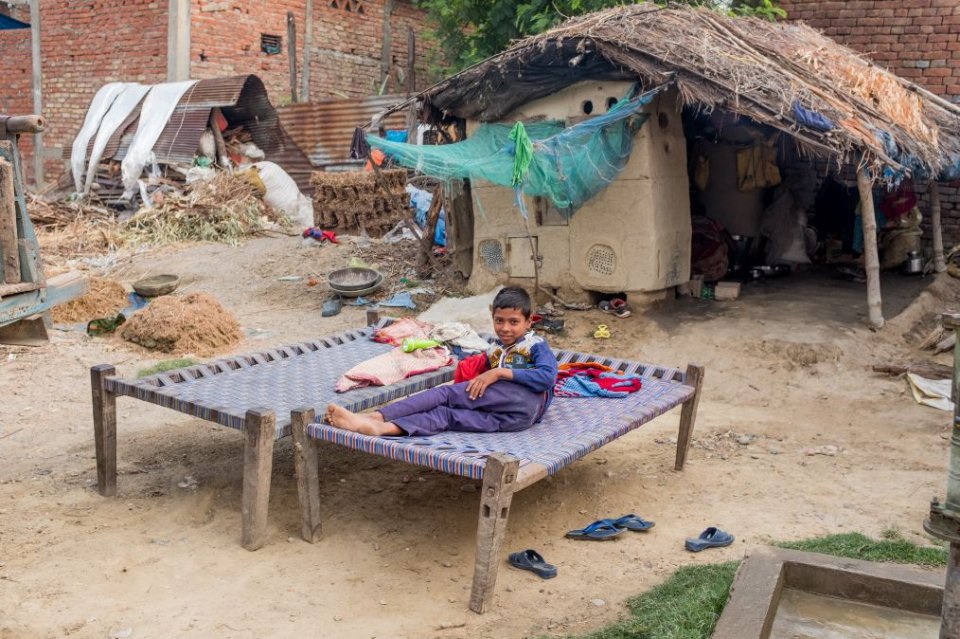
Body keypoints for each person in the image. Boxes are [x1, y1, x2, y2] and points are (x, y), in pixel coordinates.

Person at [326, 287, 558, 437]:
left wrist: (499, 373)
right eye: (499, 321)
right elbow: (481, 376)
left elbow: (548, 377)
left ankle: (376, 416)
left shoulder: (535, 345)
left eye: (514, 322)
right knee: (447, 415)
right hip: (512, 420)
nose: (505, 328)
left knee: (445, 394)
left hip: (524, 400)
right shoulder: (496, 348)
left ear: (529, 322)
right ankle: (383, 428)